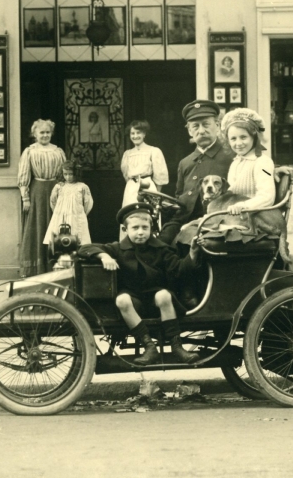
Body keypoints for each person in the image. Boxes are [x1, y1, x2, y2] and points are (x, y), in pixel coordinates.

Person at [77, 203, 203, 365]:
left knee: (163, 295)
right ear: (125, 230)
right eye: (135, 228)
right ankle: (149, 347)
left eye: (145, 227)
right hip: (133, 301)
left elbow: (179, 270)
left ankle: (177, 346)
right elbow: (85, 248)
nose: (140, 232)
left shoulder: (161, 249)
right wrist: (103, 256)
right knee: (122, 300)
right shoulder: (117, 249)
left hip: (157, 300)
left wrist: (192, 253)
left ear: (151, 228)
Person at [158, 99, 235, 245]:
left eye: (206, 125)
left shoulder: (231, 156)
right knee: (159, 244)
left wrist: (276, 170)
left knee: (186, 244)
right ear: (189, 130)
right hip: (182, 219)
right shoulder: (185, 162)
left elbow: (256, 168)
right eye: (195, 126)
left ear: (217, 126)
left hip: (214, 219)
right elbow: (178, 197)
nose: (201, 131)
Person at [18, 119, 66, 277]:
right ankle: (37, 268)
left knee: (57, 226)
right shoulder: (30, 151)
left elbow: (64, 174)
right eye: (41, 132)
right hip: (37, 192)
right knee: (38, 226)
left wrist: (63, 191)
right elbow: (24, 175)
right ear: (34, 134)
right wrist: (25, 198)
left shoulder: (58, 151)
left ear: (51, 133)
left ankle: (56, 266)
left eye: (48, 132)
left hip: (56, 190)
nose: (45, 135)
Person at [221, 108, 276, 214]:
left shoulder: (262, 162)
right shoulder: (235, 163)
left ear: (254, 137)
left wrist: (243, 205)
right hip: (237, 215)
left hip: (256, 216)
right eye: (233, 139)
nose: (238, 143)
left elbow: (267, 197)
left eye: (243, 137)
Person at [44, 160, 93, 246]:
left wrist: (81, 213)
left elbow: (88, 203)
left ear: (76, 174)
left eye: (71, 174)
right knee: (59, 238)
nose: (68, 177)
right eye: (65, 174)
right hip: (61, 216)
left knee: (77, 237)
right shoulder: (59, 186)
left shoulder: (82, 186)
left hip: (76, 216)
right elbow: (53, 201)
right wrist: (58, 212)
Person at [120, 119, 169, 206]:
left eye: (138, 133)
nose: (135, 136)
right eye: (132, 133)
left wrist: (156, 195)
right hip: (130, 189)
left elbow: (160, 176)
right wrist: (132, 184)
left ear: (144, 134)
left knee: (148, 213)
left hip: (148, 187)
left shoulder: (153, 151)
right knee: (130, 214)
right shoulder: (127, 154)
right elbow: (125, 174)